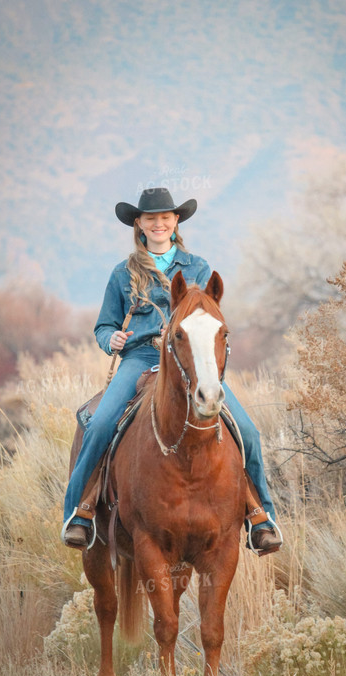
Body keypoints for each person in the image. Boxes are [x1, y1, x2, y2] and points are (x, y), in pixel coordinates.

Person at [62, 187, 282, 554]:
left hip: (191, 363)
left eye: (165, 217)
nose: (159, 223)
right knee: (99, 423)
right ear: (139, 224)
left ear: (176, 221)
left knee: (247, 431)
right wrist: (111, 339)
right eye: (151, 218)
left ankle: (261, 517)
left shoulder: (198, 267)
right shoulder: (123, 273)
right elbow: (103, 325)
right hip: (140, 360)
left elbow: (211, 318)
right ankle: (79, 514)